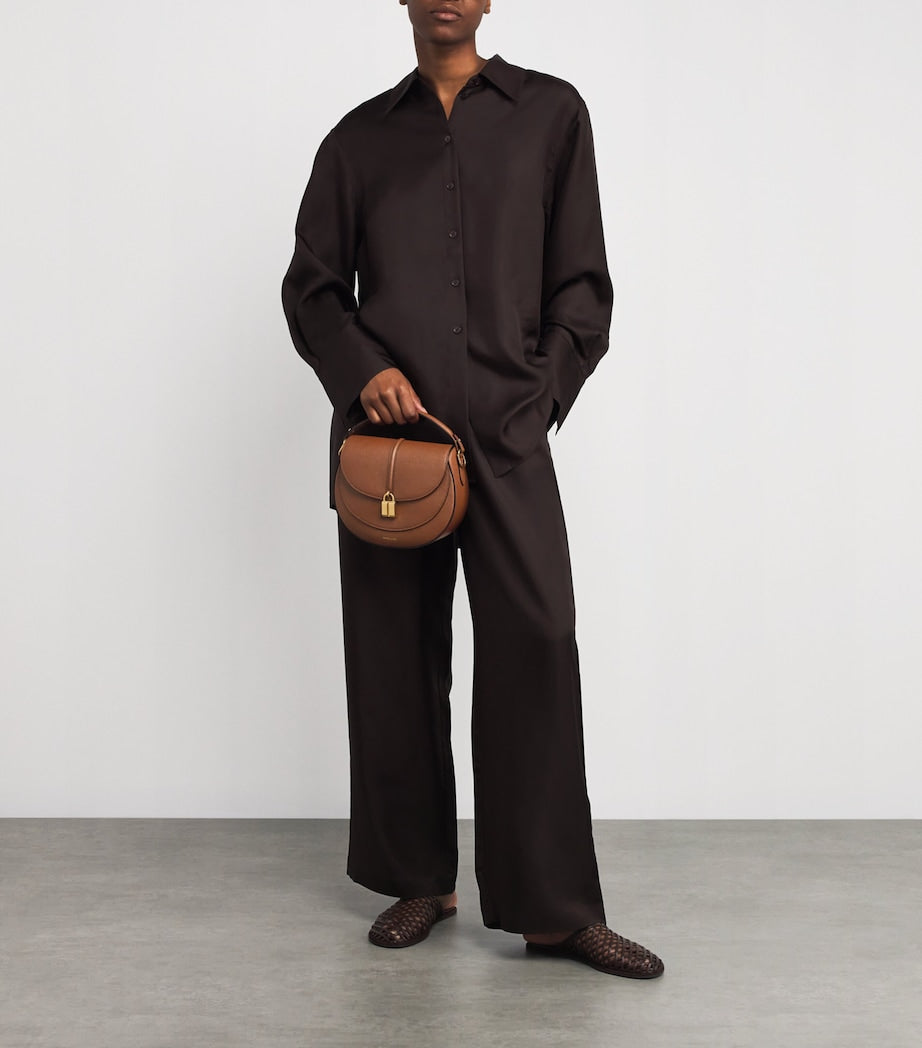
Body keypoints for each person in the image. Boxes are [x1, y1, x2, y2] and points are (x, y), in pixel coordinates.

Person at [281, 0, 664, 979]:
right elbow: (312, 288)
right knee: (394, 657)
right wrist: (363, 369)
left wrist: (537, 401)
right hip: (391, 450)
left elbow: (582, 287)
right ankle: (418, 879)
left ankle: (554, 911)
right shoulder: (357, 141)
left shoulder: (552, 116)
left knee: (537, 643)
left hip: (506, 434)